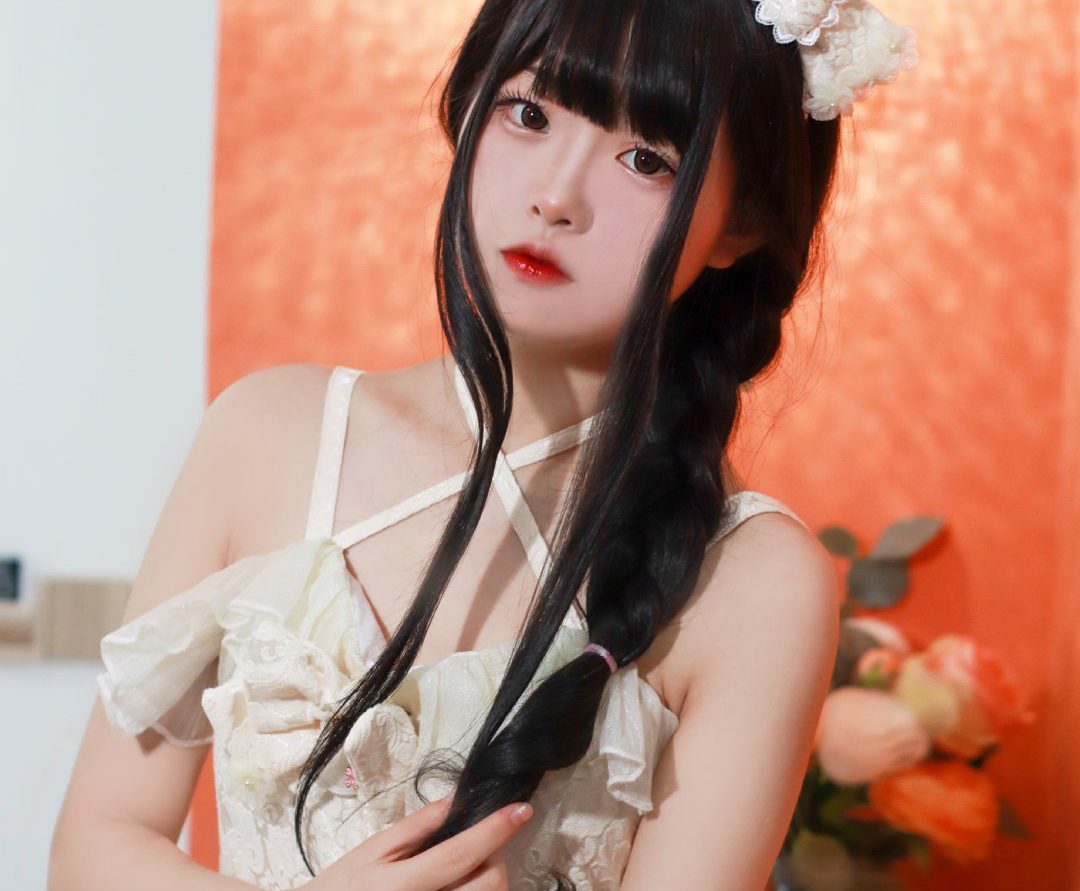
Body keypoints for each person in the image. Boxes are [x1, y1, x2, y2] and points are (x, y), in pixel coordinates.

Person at [50, 0, 918, 889]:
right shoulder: (268, 432)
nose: (556, 196)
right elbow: (91, 849)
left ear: (741, 223)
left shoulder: (755, 580)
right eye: (529, 113)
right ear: (468, 106)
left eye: (646, 159)